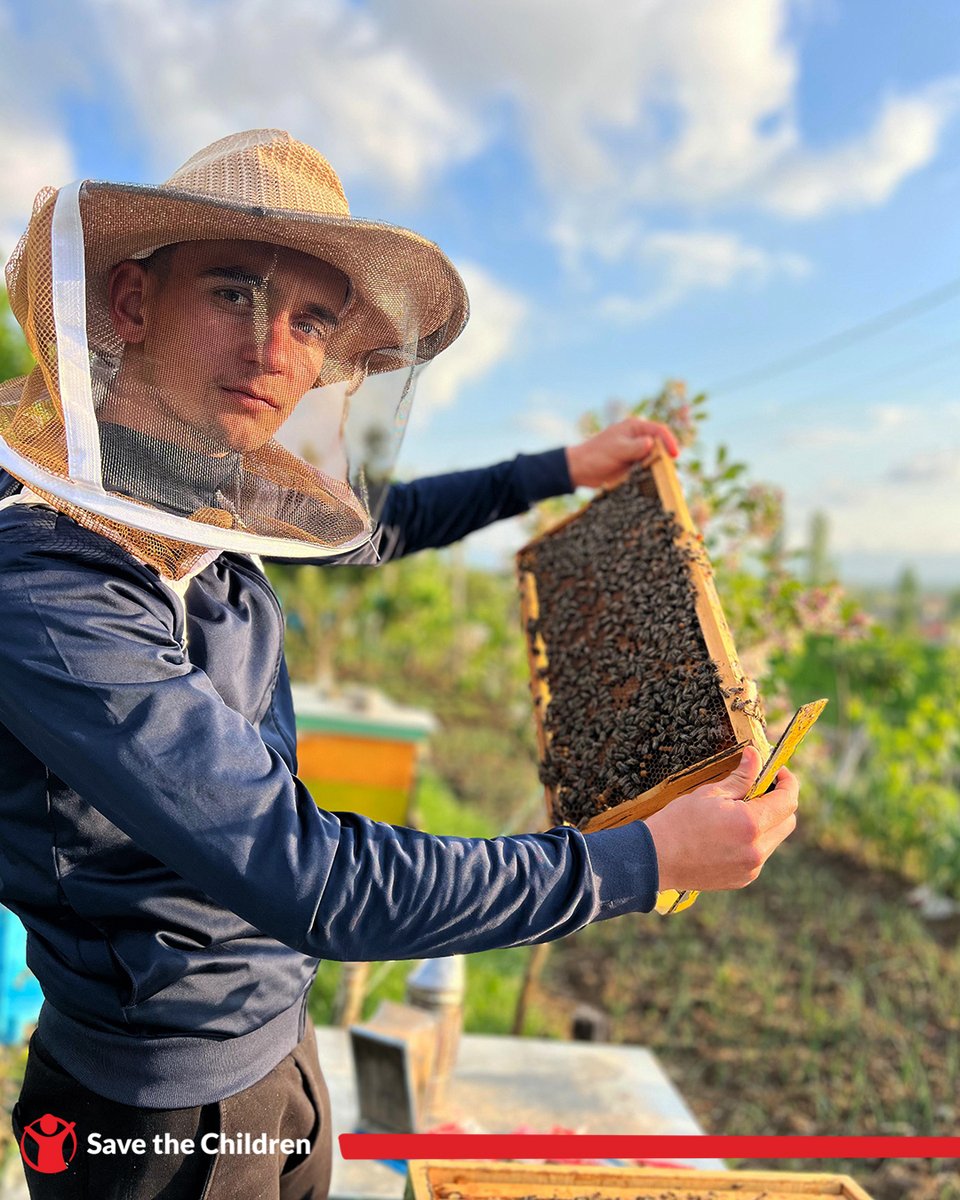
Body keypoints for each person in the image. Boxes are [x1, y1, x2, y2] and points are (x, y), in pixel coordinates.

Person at [0, 129, 798, 1199]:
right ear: (133, 302)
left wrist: (560, 468)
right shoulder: (45, 586)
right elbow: (309, 877)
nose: (274, 348)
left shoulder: (193, 483)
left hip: (279, 1044)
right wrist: (641, 861)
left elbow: (365, 524)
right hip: (151, 1113)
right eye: (236, 293)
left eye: (311, 321)